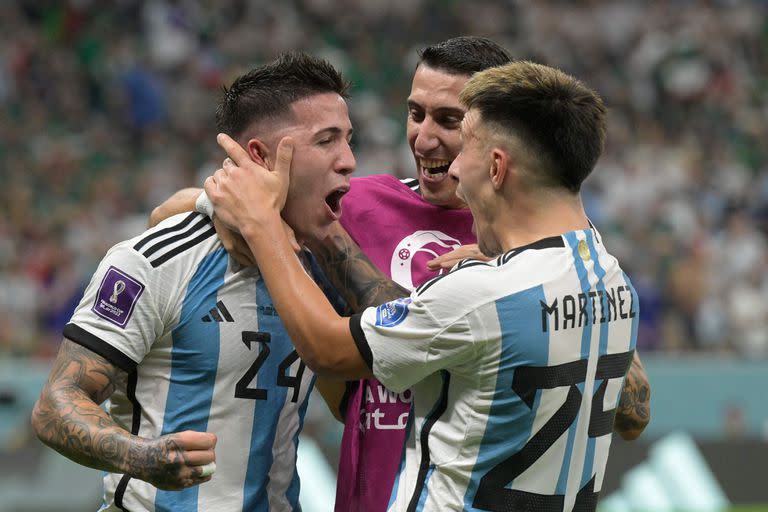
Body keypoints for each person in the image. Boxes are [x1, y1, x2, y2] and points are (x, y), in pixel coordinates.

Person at [151, 37, 650, 511]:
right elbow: (170, 218)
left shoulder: (542, 258)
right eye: (416, 114)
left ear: (497, 148)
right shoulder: (352, 204)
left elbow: (629, 412)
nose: (425, 136)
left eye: (451, 121)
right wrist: (213, 204)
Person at [31, 52, 354, 512]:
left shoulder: (321, 268)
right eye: (327, 141)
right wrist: (143, 456)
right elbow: (55, 405)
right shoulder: (157, 260)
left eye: (348, 140)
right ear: (259, 156)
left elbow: (348, 403)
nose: (348, 161)